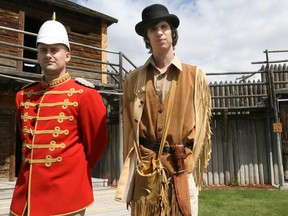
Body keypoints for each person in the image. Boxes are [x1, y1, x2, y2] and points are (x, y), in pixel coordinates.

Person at [115, 4, 212, 216]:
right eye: (153, 29)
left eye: (163, 26)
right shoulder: (133, 80)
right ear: (147, 37)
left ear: (172, 32)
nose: (159, 32)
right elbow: (129, 128)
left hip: (180, 169)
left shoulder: (195, 76)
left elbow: (203, 128)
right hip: (146, 171)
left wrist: (188, 162)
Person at [10, 15, 108, 216]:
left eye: (55, 50)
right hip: (26, 197)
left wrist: (72, 171)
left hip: (66, 196)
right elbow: (26, 143)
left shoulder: (85, 95)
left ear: (68, 55)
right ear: (37, 56)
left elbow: (96, 146)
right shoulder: (23, 96)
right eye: (43, 50)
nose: (49, 55)